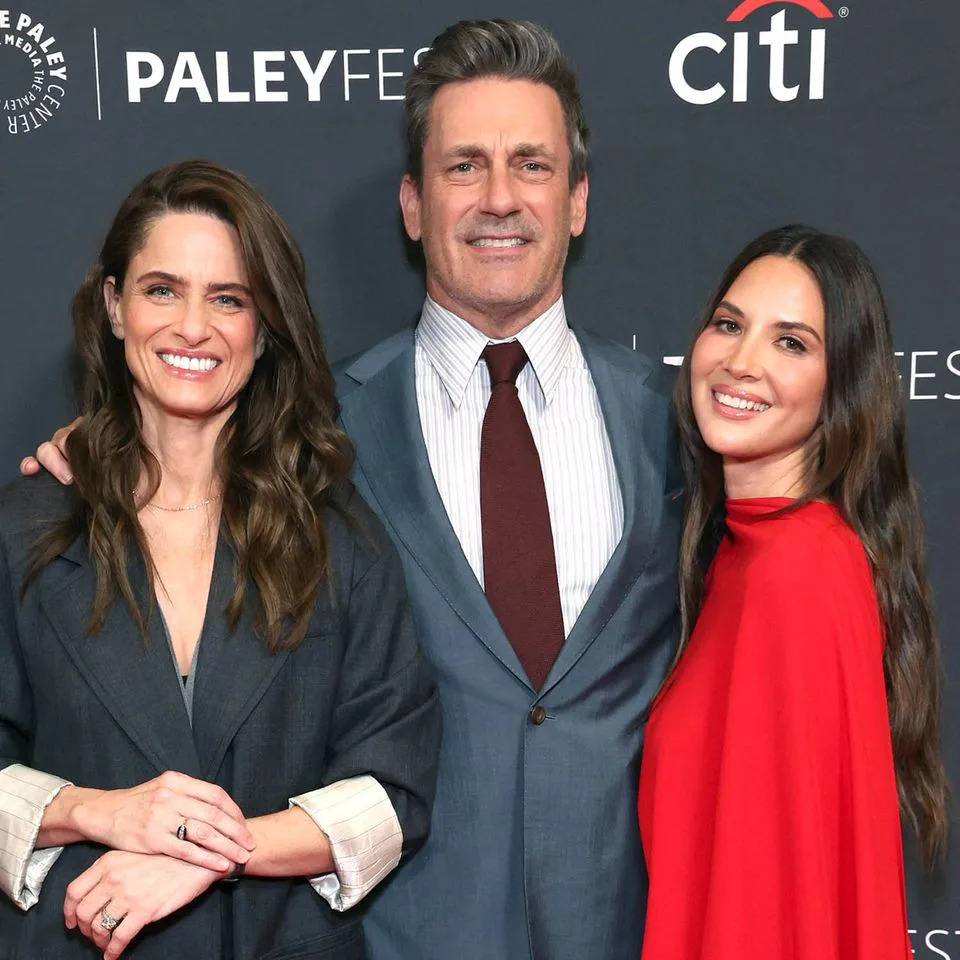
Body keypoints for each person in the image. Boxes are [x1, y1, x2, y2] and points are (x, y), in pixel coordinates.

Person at [22, 20, 680, 960]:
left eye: (531, 165)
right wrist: (98, 447)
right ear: (413, 205)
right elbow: (176, 428)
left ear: (576, 200)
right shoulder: (311, 432)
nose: (500, 199)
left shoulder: (678, 421)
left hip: (621, 921)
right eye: (463, 167)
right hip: (390, 931)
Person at [1, 159, 440, 960]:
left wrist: (204, 855)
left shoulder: (340, 538)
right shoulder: (23, 527)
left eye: (228, 298)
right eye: (162, 289)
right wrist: (99, 812)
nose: (192, 327)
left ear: (264, 327)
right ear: (113, 306)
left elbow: (392, 793)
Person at [637, 225, 949, 959]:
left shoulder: (799, 573)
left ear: (842, 385)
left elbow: (778, 903)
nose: (741, 363)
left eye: (792, 343)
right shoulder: (748, 557)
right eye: (729, 325)